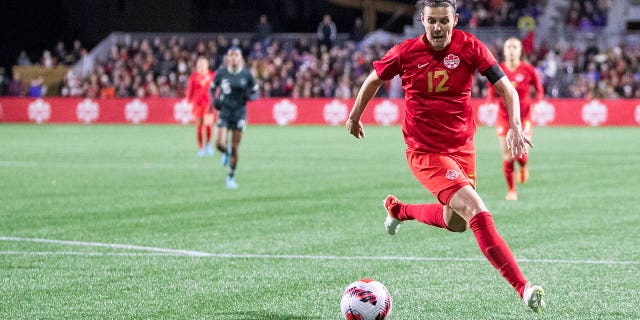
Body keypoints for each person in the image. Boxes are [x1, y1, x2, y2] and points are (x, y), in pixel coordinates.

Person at [346, 0, 545, 313]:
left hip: (463, 147)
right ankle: (523, 287)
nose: (437, 28)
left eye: (444, 21)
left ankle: (400, 210)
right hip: (425, 151)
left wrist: (516, 126)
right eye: (432, 21)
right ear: (422, 19)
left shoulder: (470, 47)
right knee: (477, 211)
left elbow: (506, 87)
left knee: (457, 223)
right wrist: (356, 115)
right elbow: (374, 79)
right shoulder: (405, 52)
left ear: (455, 19)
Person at [487, 37, 544, 201]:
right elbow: (491, 89)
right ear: (504, 50)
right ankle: (511, 190)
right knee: (507, 153)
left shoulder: (528, 69)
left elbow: (539, 88)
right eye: (508, 47)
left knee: (521, 153)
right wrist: (490, 102)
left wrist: (538, 102)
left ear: (520, 51)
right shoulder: (498, 69)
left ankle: (524, 166)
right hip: (504, 116)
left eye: (514, 47)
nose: (511, 50)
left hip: (524, 116)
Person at [210, 46, 258, 189]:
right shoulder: (221, 73)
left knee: (235, 145)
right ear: (227, 58)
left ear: (241, 58)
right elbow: (212, 88)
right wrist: (214, 100)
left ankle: (231, 176)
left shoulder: (247, 75)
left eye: (236, 55)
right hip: (224, 111)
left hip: (239, 113)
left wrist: (251, 96)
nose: (234, 58)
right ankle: (227, 152)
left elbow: (256, 92)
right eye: (231, 55)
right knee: (219, 144)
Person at [186, 56, 216, 157]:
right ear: (197, 65)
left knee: (208, 126)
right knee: (199, 127)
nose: (202, 66)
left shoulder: (212, 75)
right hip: (197, 104)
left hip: (209, 104)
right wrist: (188, 100)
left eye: (204, 64)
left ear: (207, 65)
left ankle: (208, 145)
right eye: (200, 64)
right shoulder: (194, 76)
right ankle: (201, 147)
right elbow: (190, 90)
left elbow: (216, 89)